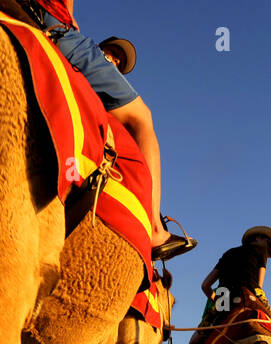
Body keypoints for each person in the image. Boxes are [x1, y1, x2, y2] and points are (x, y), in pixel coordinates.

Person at [26, 3, 195, 259]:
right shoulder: (83, 53)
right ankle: (154, 229)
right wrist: (68, 18)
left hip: (41, 19)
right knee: (142, 118)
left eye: (118, 61)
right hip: (56, 26)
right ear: (98, 50)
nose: (113, 61)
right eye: (111, 54)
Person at [200, 226, 271, 325]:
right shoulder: (261, 250)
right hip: (246, 294)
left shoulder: (228, 253)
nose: (269, 250)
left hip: (223, 298)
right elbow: (259, 287)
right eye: (270, 245)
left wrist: (218, 301)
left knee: (201, 335)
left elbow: (205, 285)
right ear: (258, 238)